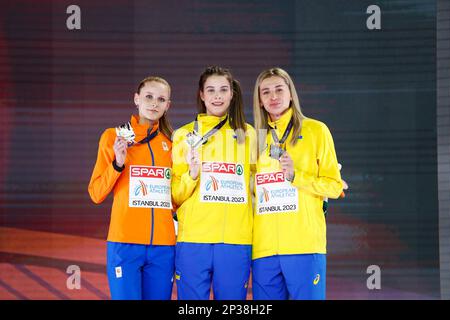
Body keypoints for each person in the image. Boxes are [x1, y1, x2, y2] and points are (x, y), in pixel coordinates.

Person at [252, 67, 344, 300]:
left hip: (304, 245)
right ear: (260, 101)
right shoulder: (255, 138)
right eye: (266, 92)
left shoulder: (316, 130)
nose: (273, 97)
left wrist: (296, 177)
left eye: (279, 90)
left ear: (291, 94)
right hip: (264, 249)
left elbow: (334, 186)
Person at [171, 66, 256, 300]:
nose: (217, 96)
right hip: (193, 239)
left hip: (236, 239)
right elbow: (176, 195)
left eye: (223, 90)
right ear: (201, 95)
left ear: (232, 94)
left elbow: (261, 186)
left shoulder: (249, 136)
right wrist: (193, 175)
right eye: (211, 90)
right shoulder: (183, 136)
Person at [88, 76, 175, 300]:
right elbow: (96, 193)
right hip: (125, 243)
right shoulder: (113, 137)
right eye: (148, 97)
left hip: (163, 246)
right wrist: (118, 163)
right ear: (136, 99)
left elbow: (176, 197)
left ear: (168, 106)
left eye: (161, 99)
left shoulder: (174, 143)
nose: (154, 103)